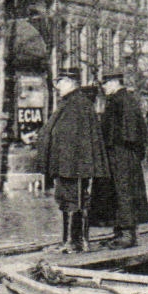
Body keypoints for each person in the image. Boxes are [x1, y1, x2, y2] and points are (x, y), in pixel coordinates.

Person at [34, 73, 110, 252]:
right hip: (73, 164)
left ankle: (70, 242)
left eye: (59, 82)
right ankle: (80, 242)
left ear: (69, 82)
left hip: (70, 165)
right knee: (78, 200)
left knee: (70, 200)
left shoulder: (74, 104)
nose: (57, 87)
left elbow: (69, 138)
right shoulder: (78, 103)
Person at [98, 73, 148, 248]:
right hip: (122, 153)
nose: (103, 87)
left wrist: (121, 149)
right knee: (119, 191)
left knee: (124, 191)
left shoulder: (122, 101)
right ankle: (121, 232)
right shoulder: (121, 99)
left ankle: (127, 235)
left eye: (105, 83)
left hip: (122, 153)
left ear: (114, 82)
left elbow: (129, 132)